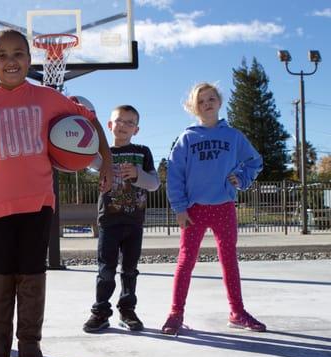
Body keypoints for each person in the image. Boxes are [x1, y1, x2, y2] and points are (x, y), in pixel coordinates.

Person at [0, 28, 113, 357]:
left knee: (31, 276)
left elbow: (89, 119)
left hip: (37, 202)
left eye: (19, 54)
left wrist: (106, 162)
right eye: (3, 55)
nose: (11, 61)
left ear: (30, 58)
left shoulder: (47, 97)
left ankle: (30, 351)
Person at [162, 82, 266, 336]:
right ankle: (176, 312)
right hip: (194, 209)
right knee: (186, 261)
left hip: (224, 207)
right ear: (193, 107)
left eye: (211, 99)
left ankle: (237, 312)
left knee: (229, 260)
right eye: (201, 101)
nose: (207, 104)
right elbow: (174, 174)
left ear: (219, 102)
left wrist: (241, 178)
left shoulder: (233, 136)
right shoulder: (187, 137)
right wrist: (179, 207)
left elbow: (255, 161)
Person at [82, 105, 160, 333]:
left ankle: (127, 310)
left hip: (134, 221)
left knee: (129, 269)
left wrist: (137, 175)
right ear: (109, 125)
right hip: (109, 220)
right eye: (119, 121)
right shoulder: (102, 152)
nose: (123, 126)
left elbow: (154, 184)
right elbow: (84, 158)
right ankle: (100, 312)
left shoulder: (143, 152)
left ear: (136, 129)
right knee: (106, 269)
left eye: (129, 122)